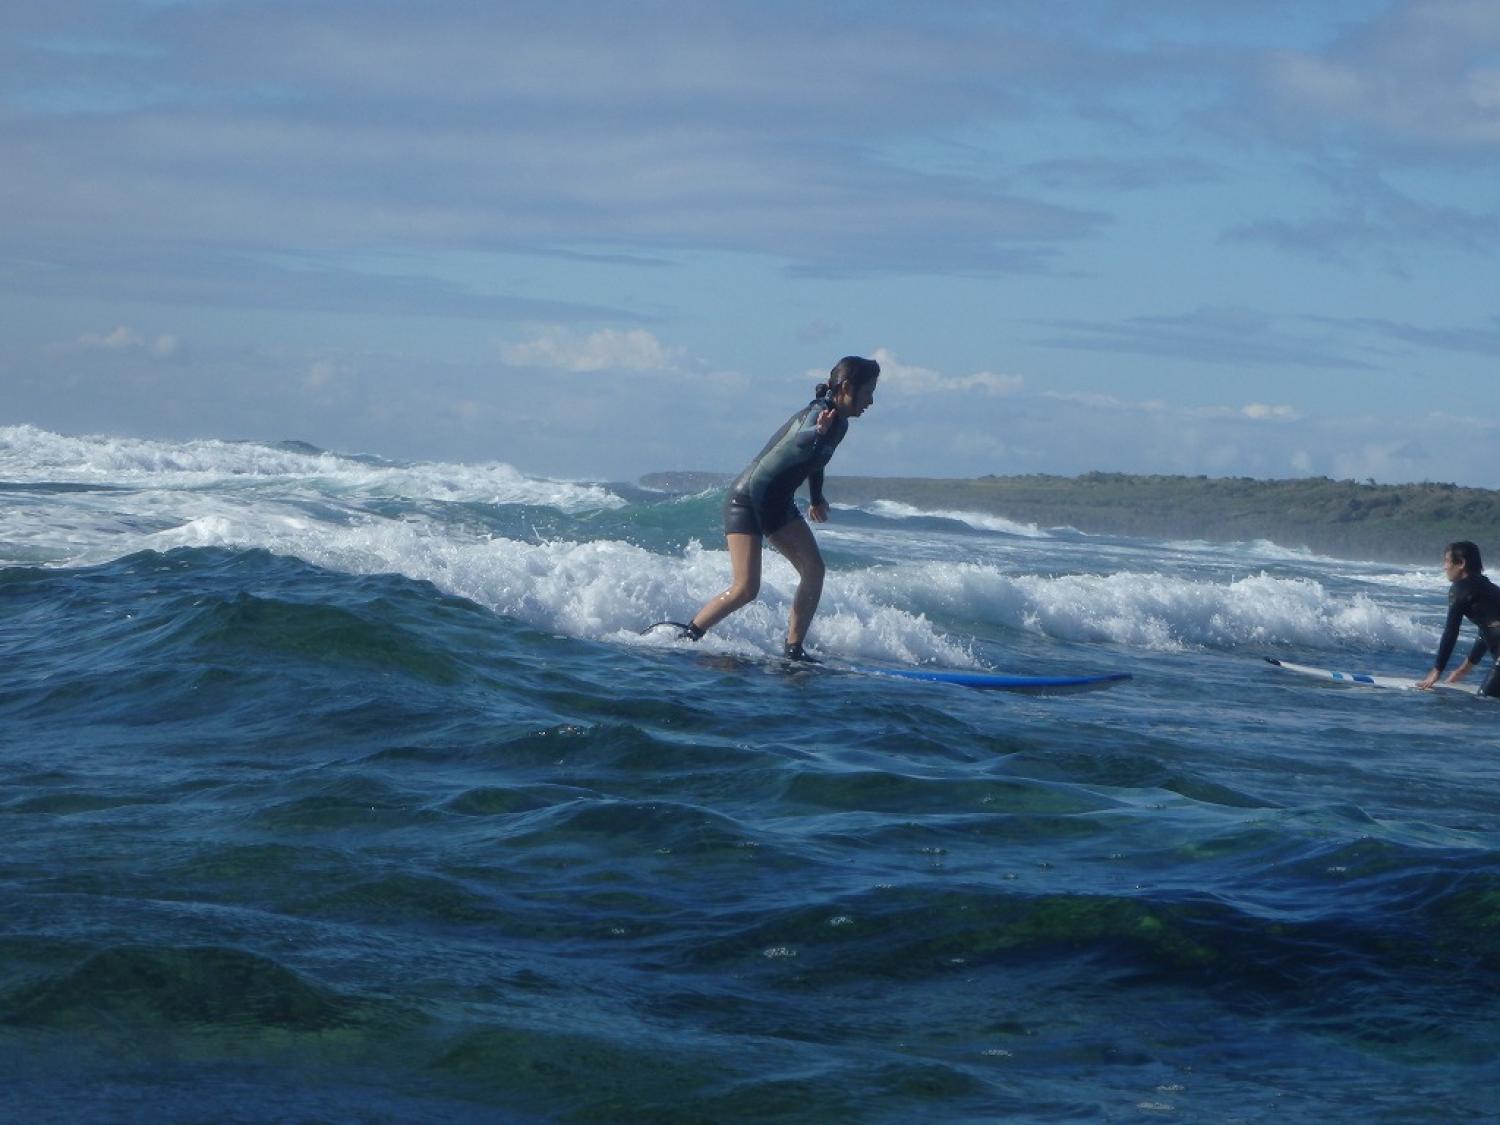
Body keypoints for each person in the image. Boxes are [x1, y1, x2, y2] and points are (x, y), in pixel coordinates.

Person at [664, 355, 880, 661]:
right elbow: (804, 439)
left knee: (814, 569)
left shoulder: (840, 424)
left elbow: (819, 460)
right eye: (868, 391)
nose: (871, 400)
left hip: (778, 504)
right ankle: (688, 636)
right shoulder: (818, 414)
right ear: (847, 387)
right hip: (748, 499)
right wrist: (817, 432)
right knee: (746, 588)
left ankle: (793, 649)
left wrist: (817, 497)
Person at [1416, 540, 1500, 696]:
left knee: (1485, 702)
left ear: (1461, 563)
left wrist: (1437, 670)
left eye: (1447, 561)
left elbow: (1451, 631)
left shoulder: (1460, 589)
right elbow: (1487, 631)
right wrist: (1462, 671)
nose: (1445, 567)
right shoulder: (1489, 588)